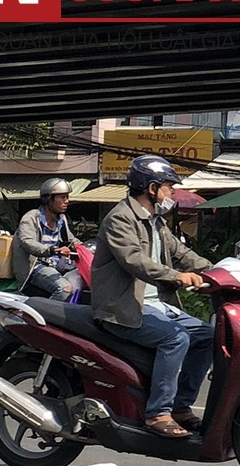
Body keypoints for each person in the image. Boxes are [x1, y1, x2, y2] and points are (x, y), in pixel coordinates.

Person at [91, 154, 214, 439]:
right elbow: (133, 260)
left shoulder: (157, 223)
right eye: (169, 186)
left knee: (207, 335)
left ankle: (182, 407)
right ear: (151, 188)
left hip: (156, 306)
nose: (172, 193)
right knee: (176, 338)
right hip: (123, 308)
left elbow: (182, 254)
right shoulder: (120, 218)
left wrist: (219, 272)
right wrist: (176, 277)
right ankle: (157, 413)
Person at [13, 177, 78, 296]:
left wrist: (87, 248)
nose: (66, 201)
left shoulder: (61, 219)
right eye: (62, 197)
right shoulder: (32, 217)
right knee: (64, 289)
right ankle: (48, 314)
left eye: (67, 197)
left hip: (58, 265)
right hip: (36, 267)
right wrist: (52, 250)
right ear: (49, 199)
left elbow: (72, 240)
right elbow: (27, 242)